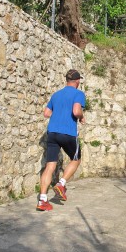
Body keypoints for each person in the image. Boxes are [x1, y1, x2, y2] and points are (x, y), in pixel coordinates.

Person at [36, 69, 86, 211]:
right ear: (77, 81)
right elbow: (76, 111)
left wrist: (58, 112)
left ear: (66, 80)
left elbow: (46, 113)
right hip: (68, 133)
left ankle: (42, 200)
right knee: (76, 159)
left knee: (50, 166)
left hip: (52, 132)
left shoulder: (56, 95)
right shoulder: (78, 94)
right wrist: (81, 116)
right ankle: (61, 184)